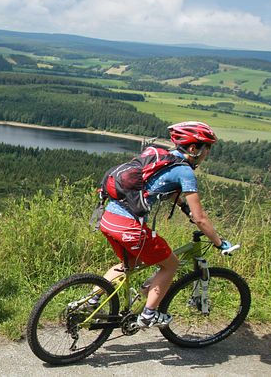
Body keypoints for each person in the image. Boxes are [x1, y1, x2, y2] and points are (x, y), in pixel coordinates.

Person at [97, 121, 232, 328]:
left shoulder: (162, 158)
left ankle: (91, 300)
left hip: (108, 219)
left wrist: (182, 207)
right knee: (171, 264)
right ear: (193, 148)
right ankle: (149, 314)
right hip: (129, 227)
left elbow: (158, 188)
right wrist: (218, 242)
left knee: (128, 265)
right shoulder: (185, 172)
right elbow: (201, 218)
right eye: (207, 148)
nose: (208, 154)